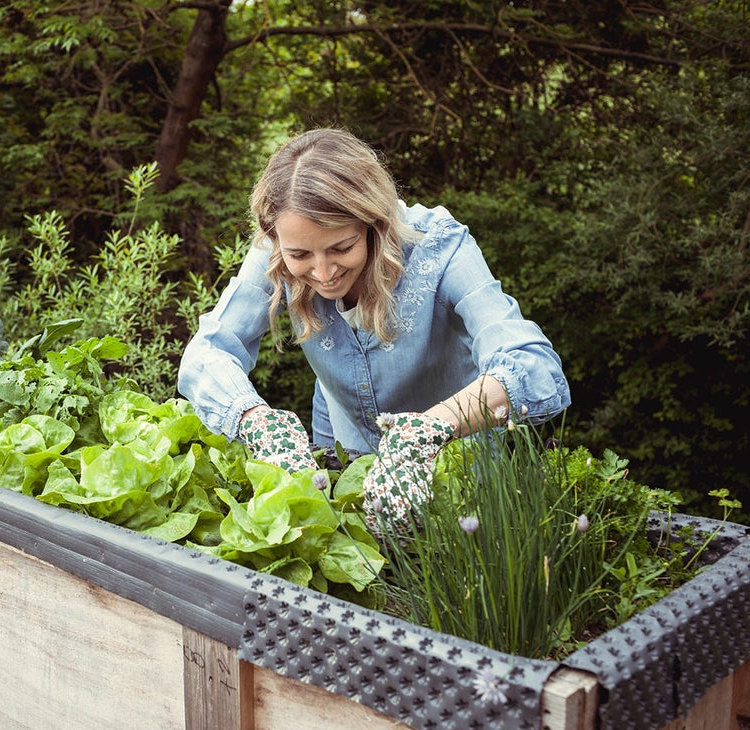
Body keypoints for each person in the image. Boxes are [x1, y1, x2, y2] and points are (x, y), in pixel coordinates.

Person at [176, 128, 570, 540]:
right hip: (343, 461)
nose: (323, 273)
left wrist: (426, 431)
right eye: (300, 255)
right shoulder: (277, 251)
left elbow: (533, 364)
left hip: (460, 477)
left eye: (341, 248)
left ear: (373, 225)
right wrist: (255, 421)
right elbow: (207, 352)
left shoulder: (440, 246)